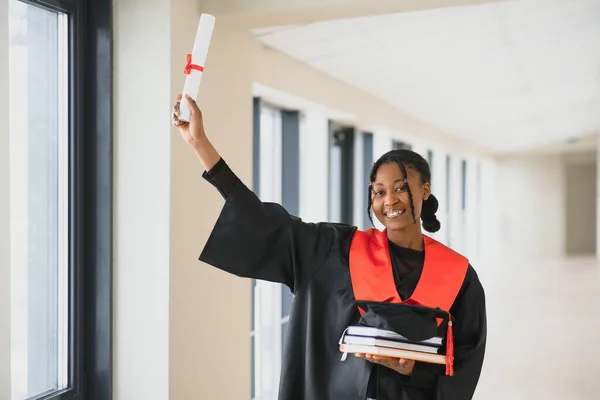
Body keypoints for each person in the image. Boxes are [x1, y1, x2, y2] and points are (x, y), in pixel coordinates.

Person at [172, 94, 487, 400]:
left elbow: (463, 366)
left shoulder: (458, 276)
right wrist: (201, 145)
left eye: (401, 188)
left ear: (425, 190)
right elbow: (266, 222)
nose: (389, 200)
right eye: (378, 192)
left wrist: (411, 371)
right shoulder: (336, 250)